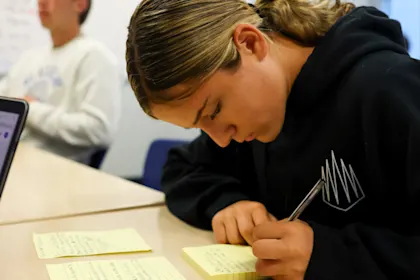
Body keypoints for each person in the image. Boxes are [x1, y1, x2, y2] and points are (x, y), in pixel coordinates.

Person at [126, 0, 420, 279]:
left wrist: (332, 258)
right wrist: (229, 204)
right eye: (199, 127)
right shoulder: (258, 116)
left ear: (250, 43)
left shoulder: (391, 91)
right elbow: (181, 168)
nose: (221, 141)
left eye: (214, 111)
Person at [0, 0, 120, 164]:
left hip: (54, 170)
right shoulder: (30, 57)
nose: (41, 3)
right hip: (13, 158)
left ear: (80, 4)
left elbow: (99, 131)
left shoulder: (94, 57)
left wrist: (30, 110)